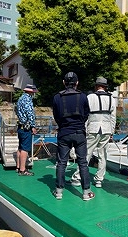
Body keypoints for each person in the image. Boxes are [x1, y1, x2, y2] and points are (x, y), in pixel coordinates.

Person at [52, 72, 95, 201]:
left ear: (64, 82)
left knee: (62, 163)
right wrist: (80, 123)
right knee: (83, 163)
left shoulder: (57, 97)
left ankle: (59, 191)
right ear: (77, 83)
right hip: (79, 133)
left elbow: (56, 115)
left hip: (64, 132)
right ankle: (86, 192)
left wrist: (63, 124)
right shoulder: (83, 96)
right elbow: (86, 113)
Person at [69, 77, 116, 188]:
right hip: (106, 128)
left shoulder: (89, 97)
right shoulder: (112, 99)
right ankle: (99, 180)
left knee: (86, 154)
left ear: (96, 86)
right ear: (105, 87)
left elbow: (85, 115)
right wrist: (112, 131)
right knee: (103, 155)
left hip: (93, 128)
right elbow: (113, 117)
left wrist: (83, 129)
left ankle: (77, 177)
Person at [15, 84, 38, 176]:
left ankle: (18, 167)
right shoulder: (28, 99)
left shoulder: (20, 99)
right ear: (31, 91)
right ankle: (23, 170)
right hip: (26, 127)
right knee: (25, 148)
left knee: (20, 147)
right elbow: (30, 113)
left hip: (20, 125)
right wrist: (33, 126)